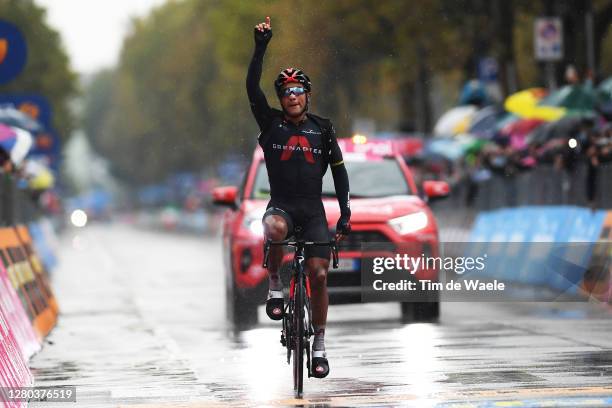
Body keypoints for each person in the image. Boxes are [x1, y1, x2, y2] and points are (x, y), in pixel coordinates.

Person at [246, 16, 351, 378]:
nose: (291, 96)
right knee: (273, 227)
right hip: (283, 208)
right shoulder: (270, 123)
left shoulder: (323, 129)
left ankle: (319, 344)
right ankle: (275, 286)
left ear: (307, 95)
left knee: (319, 275)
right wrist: (260, 48)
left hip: (314, 213)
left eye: (297, 90)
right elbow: (251, 89)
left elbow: (338, 171)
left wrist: (346, 212)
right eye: (285, 91)